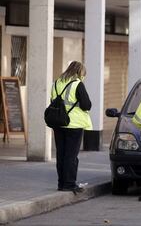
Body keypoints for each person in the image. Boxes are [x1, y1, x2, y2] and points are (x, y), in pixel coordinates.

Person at [51, 61, 92, 193]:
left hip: (58, 123)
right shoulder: (77, 84)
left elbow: (53, 101)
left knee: (61, 154)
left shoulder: (56, 82)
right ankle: (69, 184)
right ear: (79, 72)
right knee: (71, 156)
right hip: (74, 124)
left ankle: (61, 183)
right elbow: (87, 105)